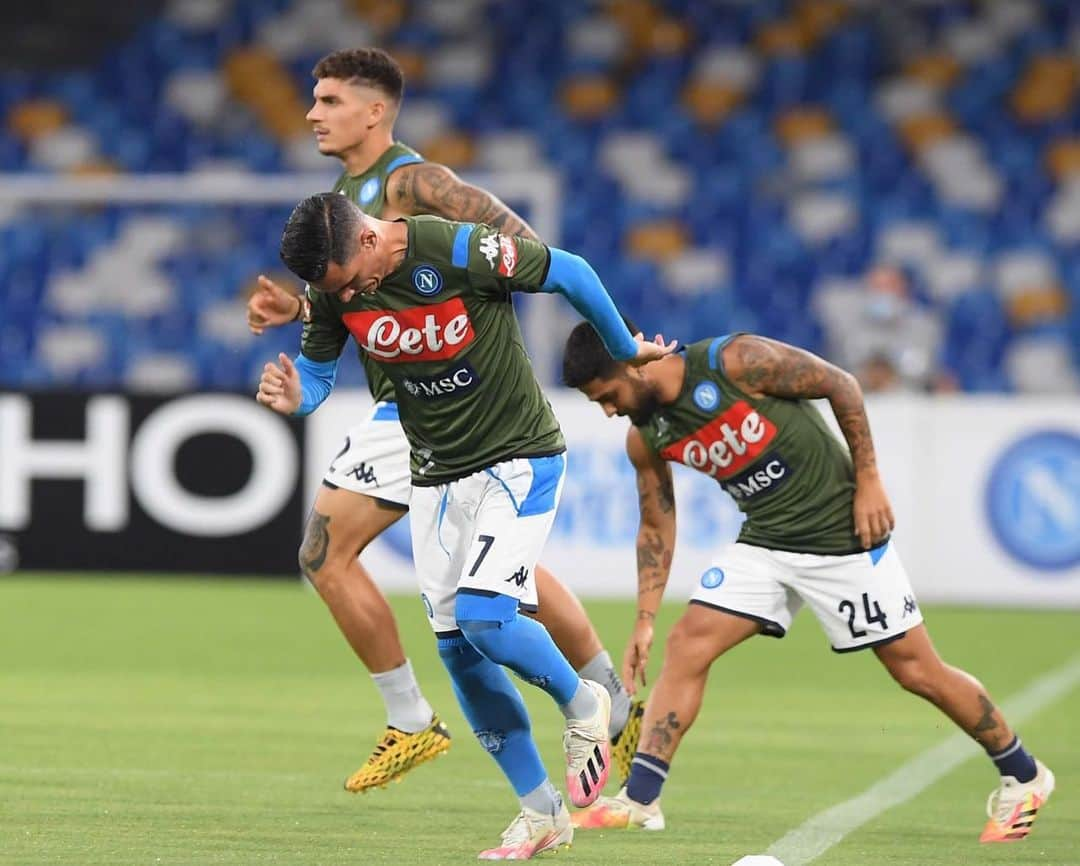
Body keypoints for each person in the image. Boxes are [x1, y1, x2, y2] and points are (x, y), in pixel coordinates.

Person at [245, 48, 641, 793]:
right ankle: (608, 703)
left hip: (441, 401)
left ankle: (426, 718)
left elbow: (525, 253)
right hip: (408, 397)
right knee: (484, 582)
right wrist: (304, 312)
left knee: (337, 556)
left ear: (375, 110)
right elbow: (361, 303)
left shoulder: (414, 183)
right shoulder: (343, 196)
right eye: (314, 99)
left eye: (329, 100)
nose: (312, 112)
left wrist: (474, 333)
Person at [256, 193, 675, 859]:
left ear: (364, 239)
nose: (351, 294)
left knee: (486, 619)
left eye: (349, 279)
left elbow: (570, 271)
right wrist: (294, 398)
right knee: (458, 651)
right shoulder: (334, 288)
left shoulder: (455, 248)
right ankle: (541, 815)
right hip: (435, 478)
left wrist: (624, 350)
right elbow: (314, 376)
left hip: (517, 457)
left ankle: (585, 703)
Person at [561, 325, 1054, 844]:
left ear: (632, 363)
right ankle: (640, 800)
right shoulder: (647, 436)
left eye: (608, 397)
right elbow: (656, 524)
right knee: (687, 643)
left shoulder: (735, 361)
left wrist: (868, 481)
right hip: (765, 542)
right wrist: (643, 620)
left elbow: (841, 384)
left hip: (841, 536)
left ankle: (1024, 775)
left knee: (917, 671)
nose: (610, 412)